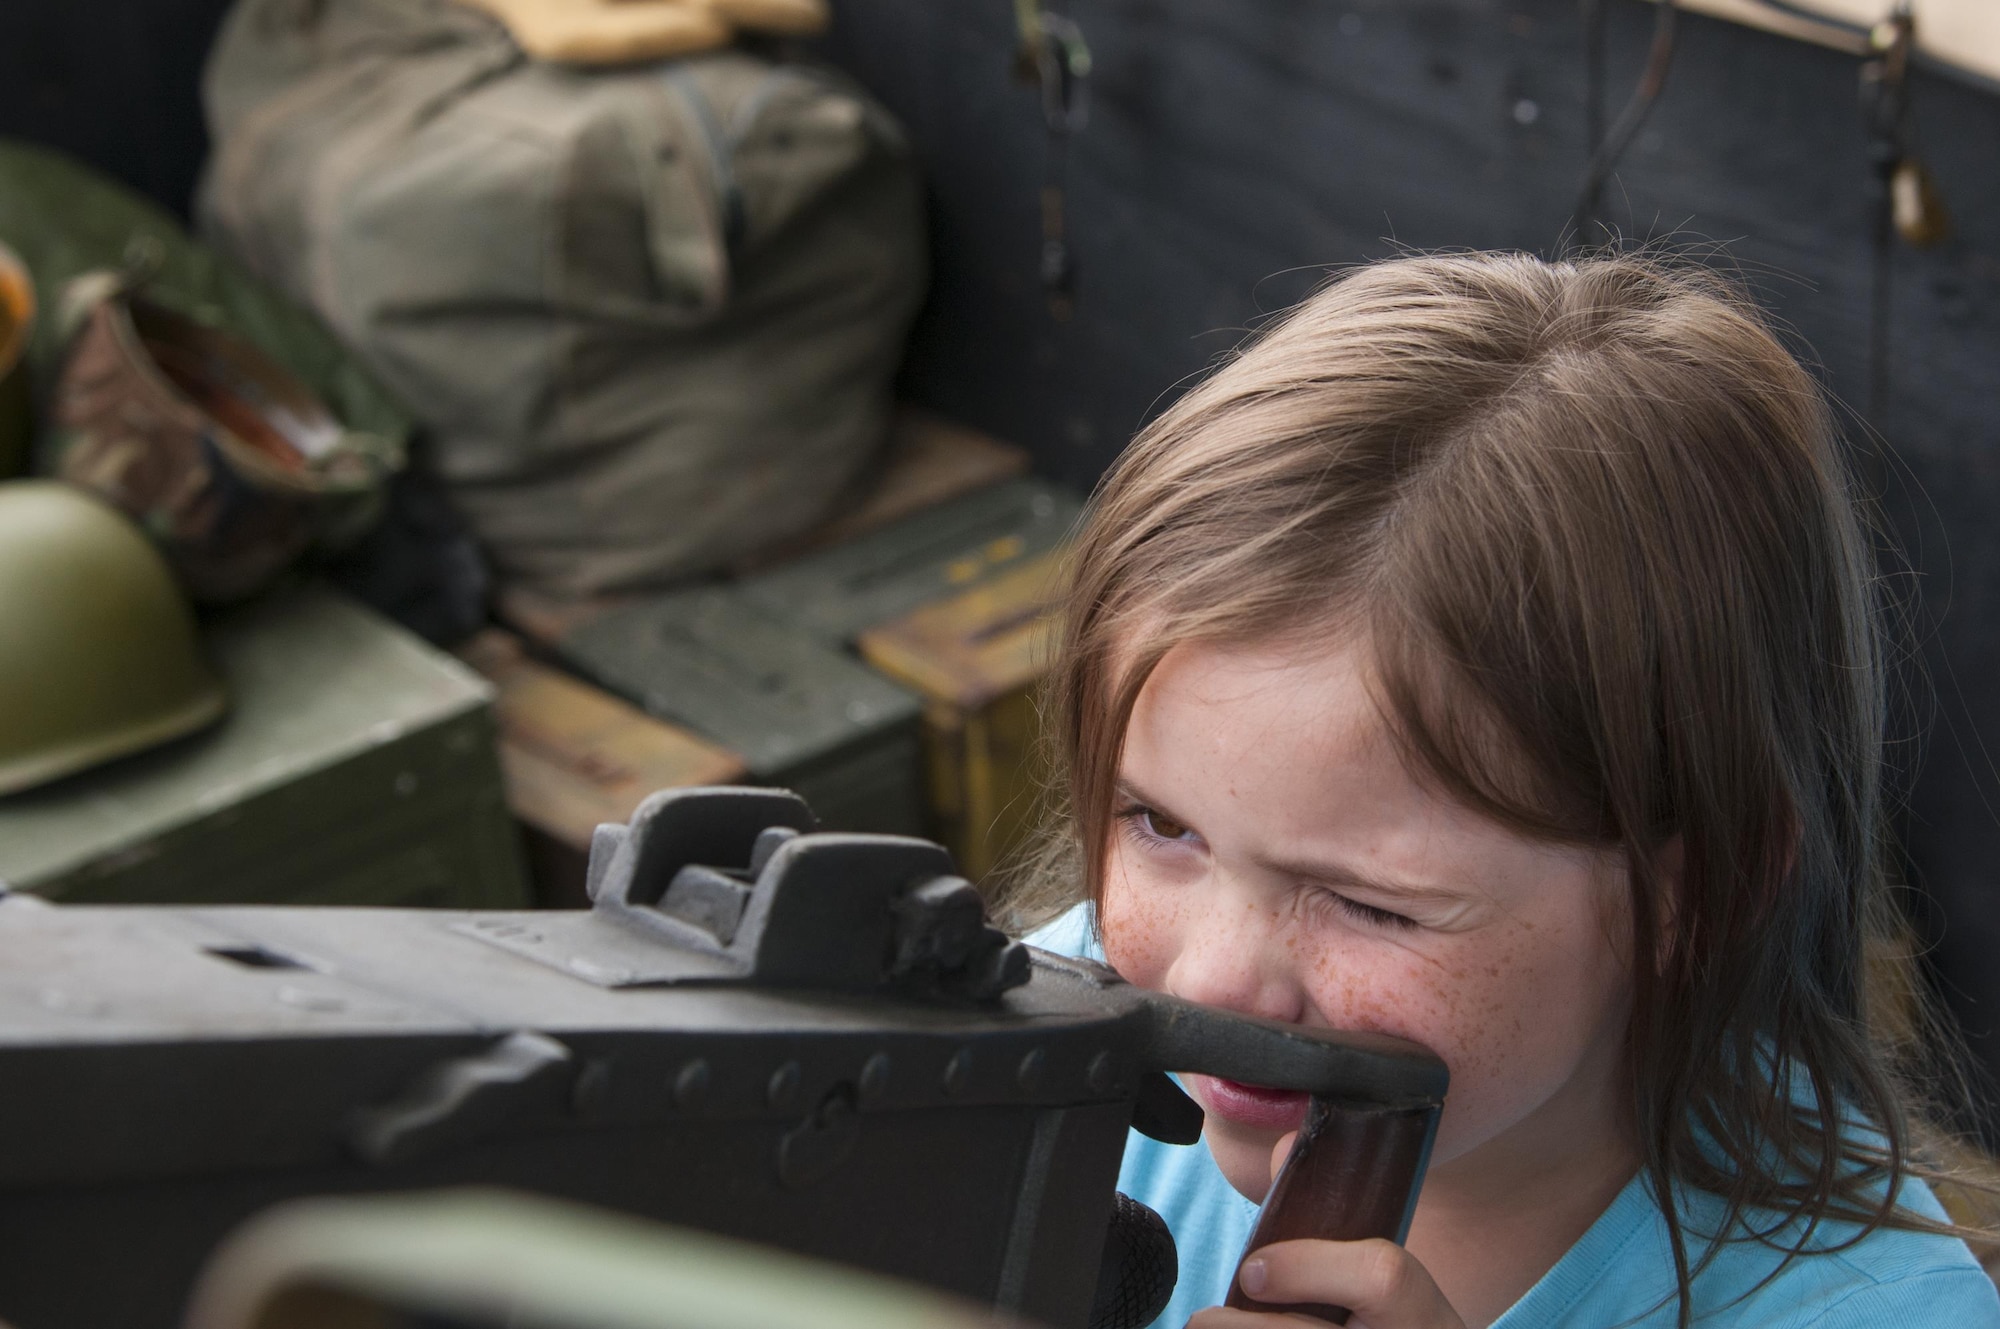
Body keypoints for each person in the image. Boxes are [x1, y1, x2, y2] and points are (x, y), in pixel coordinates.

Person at [1014, 251, 2000, 1327]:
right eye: (1161, 824)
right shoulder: (1045, 1051)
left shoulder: (1878, 1313)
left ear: (1694, 894)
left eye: (1370, 904)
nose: (1205, 979)